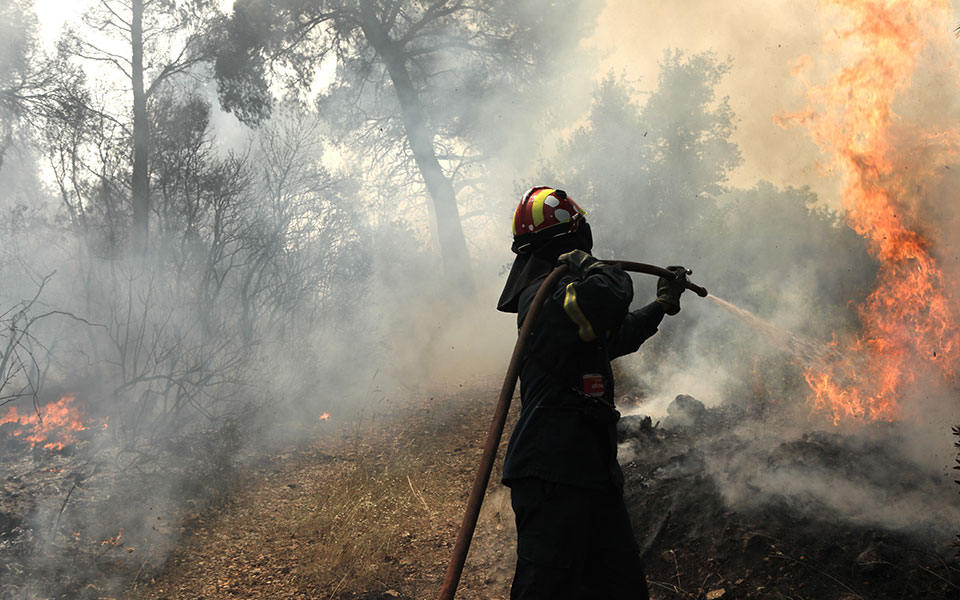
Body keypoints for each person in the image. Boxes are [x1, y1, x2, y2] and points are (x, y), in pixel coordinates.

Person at [497, 186, 688, 600]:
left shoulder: (565, 302)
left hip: (591, 473)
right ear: (572, 236)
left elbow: (610, 337)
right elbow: (609, 293)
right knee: (544, 590)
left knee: (622, 588)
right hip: (553, 475)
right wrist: (594, 266)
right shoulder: (543, 296)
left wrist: (660, 307)